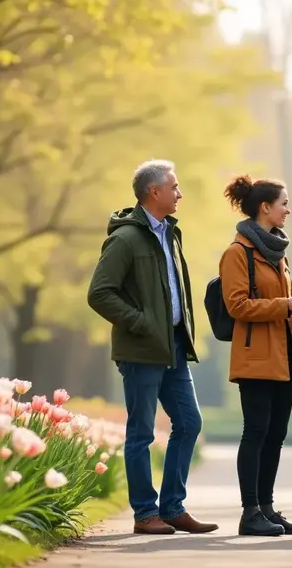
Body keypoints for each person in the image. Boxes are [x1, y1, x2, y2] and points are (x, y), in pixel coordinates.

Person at [86, 159, 218, 535]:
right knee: (141, 433)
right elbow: (99, 293)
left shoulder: (170, 234)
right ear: (154, 192)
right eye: (174, 187)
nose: (179, 193)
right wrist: (141, 322)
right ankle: (145, 513)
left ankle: (173, 507)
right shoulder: (125, 239)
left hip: (174, 345)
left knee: (190, 422)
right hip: (141, 350)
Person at [218, 175, 292, 537]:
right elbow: (237, 306)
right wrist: (284, 304)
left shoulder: (277, 251)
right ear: (265, 207)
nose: (288, 209)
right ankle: (250, 512)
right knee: (256, 432)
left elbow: (279, 305)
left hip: (284, 356)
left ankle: (267, 507)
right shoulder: (237, 253)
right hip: (256, 358)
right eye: (284, 203)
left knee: (276, 434)